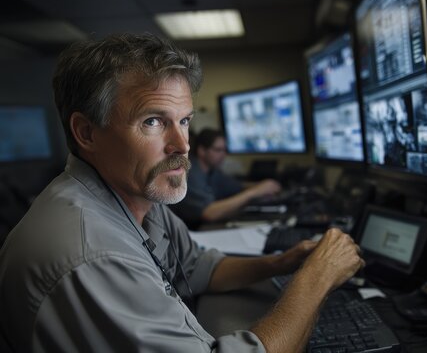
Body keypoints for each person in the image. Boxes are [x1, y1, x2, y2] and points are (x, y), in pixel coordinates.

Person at [0, 33, 364, 352]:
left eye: (185, 121)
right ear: (87, 133)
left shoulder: (138, 196)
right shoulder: (94, 254)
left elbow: (200, 268)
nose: (182, 145)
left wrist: (282, 262)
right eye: (153, 121)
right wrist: (316, 280)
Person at [170, 128, 282, 227]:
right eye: (218, 150)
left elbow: (236, 186)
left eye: (225, 150)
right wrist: (254, 192)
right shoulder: (190, 173)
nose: (223, 155)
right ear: (202, 151)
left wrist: (263, 186)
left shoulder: (213, 171)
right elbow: (209, 213)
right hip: (191, 233)